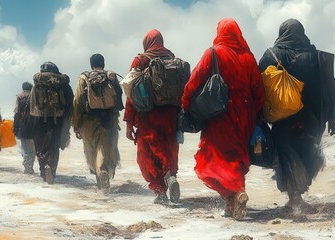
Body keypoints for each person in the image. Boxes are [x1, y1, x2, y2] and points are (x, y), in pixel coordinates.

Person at [258, 19, 335, 213]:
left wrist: (258, 114)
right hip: (311, 118)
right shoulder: (316, 56)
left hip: (283, 118)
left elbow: (258, 85)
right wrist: (333, 116)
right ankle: (297, 194)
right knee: (307, 153)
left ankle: (294, 196)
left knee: (286, 154)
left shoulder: (272, 54)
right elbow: (331, 87)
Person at [181, 19, 264, 220]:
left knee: (210, 161)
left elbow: (194, 81)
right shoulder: (248, 57)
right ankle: (234, 200)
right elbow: (258, 90)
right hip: (245, 115)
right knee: (236, 157)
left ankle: (233, 194)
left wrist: (185, 104)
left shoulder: (213, 53)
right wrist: (257, 115)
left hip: (219, 115)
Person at [124, 29, 181, 204]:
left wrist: (129, 122)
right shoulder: (172, 59)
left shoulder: (141, 60)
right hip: (171, 115)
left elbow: (131, 91)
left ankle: (160, 191)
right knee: (168, 148)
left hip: (148, 115)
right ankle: (170, 174)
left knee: (147, 155)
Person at [73, 53, 123, 190]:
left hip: (88, 121)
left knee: (92, 150)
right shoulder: (111, 77)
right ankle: (104, 173)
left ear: (91, 65)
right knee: (105, 148)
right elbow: (119, 99)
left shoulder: (84, 78)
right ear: (104, 63)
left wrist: (76, 124)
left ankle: (100, 176)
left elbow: (77, 101)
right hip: (109, 119)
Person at [29, 61, 74, 184]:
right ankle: (51, 168)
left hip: (39, 118)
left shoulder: (37, 83)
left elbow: (32, 104)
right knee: (53, 145)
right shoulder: (62, 83)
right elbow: (70, 102)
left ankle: (43, 170)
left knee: (40, 145)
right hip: (57, 118)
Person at [14, 82, 37, 174]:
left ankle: (26, 164)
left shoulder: (19, 97)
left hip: (23, 125)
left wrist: (16, 128)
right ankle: (30, 166)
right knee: (33, 148)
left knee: (24, 147)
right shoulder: (34, 97)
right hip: (33, 125)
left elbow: (17, 113)